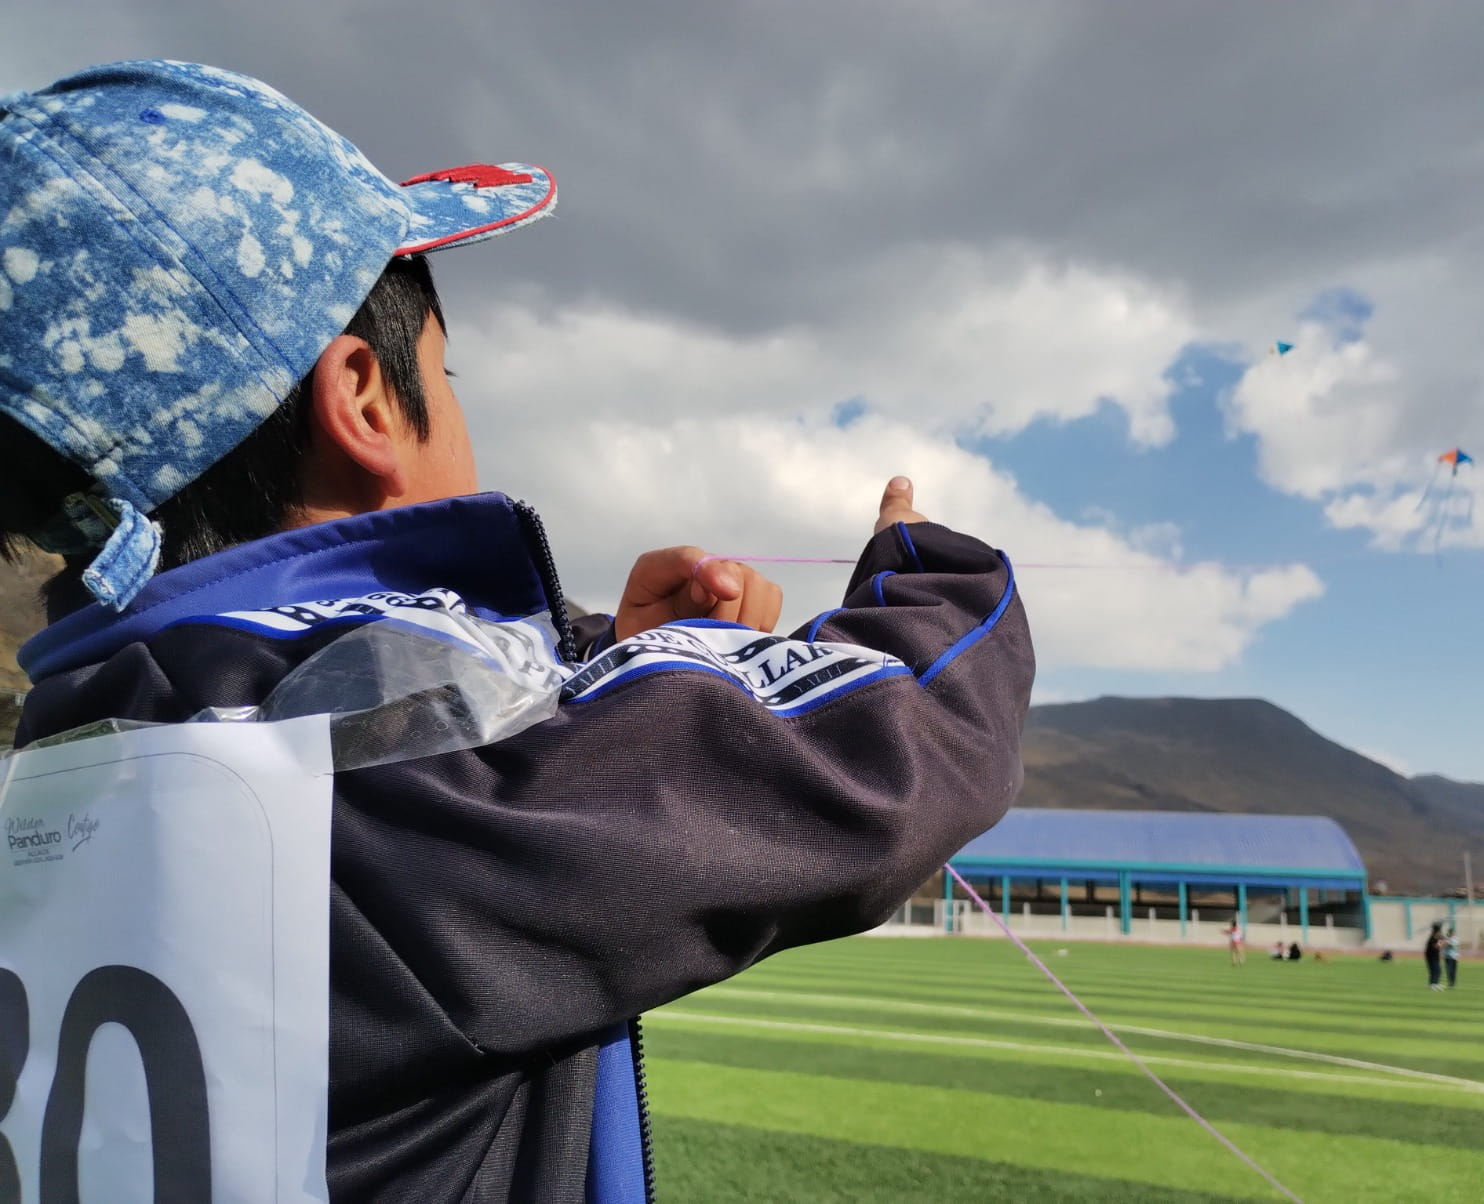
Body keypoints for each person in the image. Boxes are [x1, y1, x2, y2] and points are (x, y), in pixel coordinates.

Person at [0, 61, 1035, 1202]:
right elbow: (898, 742)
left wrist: (581, 664)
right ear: (366, 402)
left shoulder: (67, 753)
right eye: (450, 374)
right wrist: (928, 563)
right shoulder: (373, 782)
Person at [1425, 921, 1445, 990]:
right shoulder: (1433, 937)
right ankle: (1433, 984)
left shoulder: (1436, 936)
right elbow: (1436, 946)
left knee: (1438, 969)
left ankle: (1436, 983)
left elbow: (1441, 943)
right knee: (1434, 969)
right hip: (1431, 955)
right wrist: (1441, 943)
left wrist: (1442, 941)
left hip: (1434, 955)